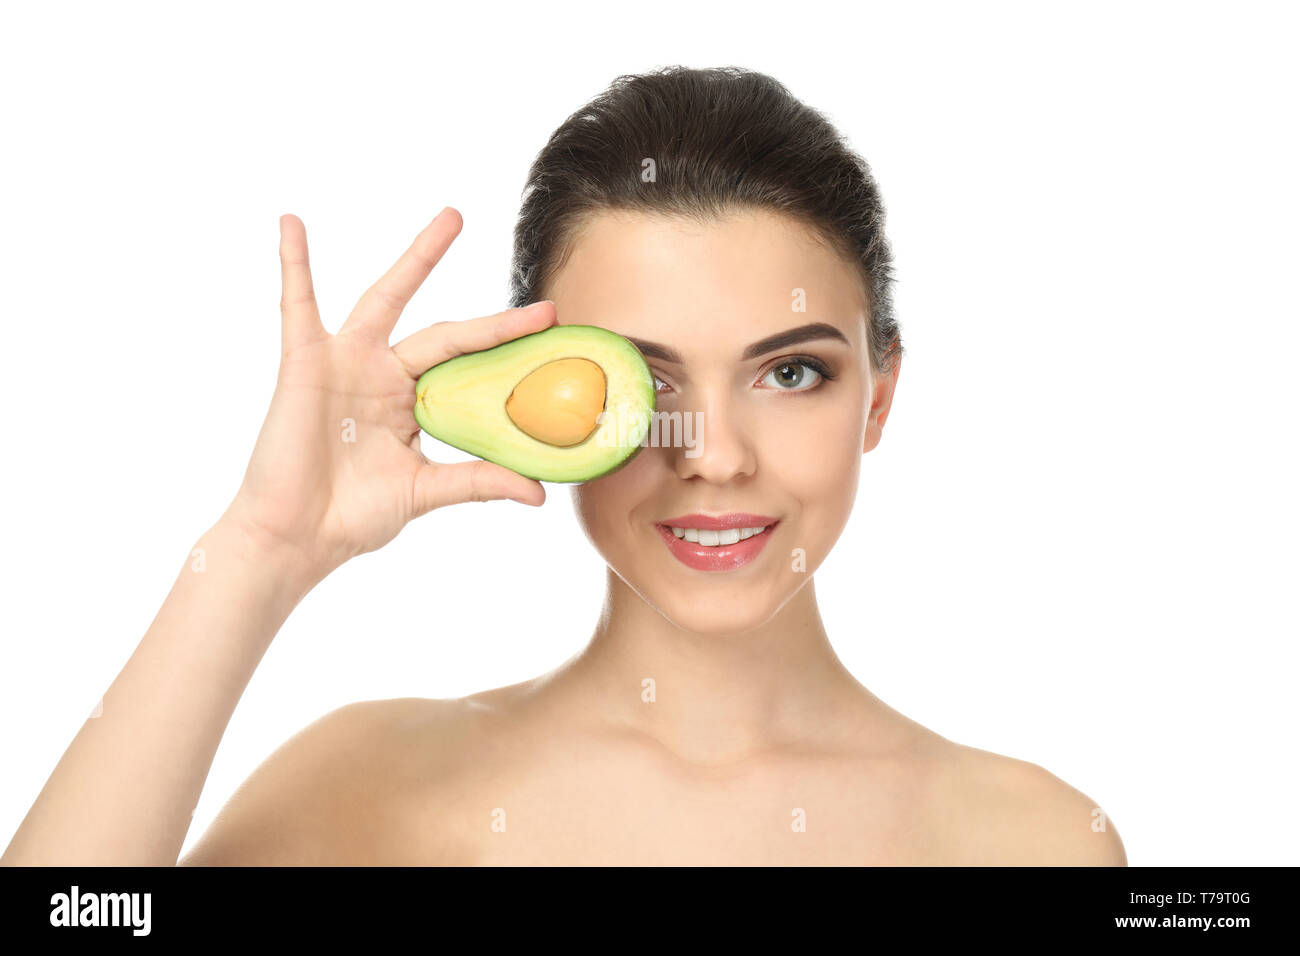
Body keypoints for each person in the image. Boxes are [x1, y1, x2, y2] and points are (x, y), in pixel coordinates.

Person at [1, 66, 1126, 866]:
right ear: (533, 402)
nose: (714, 456)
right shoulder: (372, 787)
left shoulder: (1031, 840)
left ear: (879, 394)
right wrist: (256, 552)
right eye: (643, 379)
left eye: (789, 374)